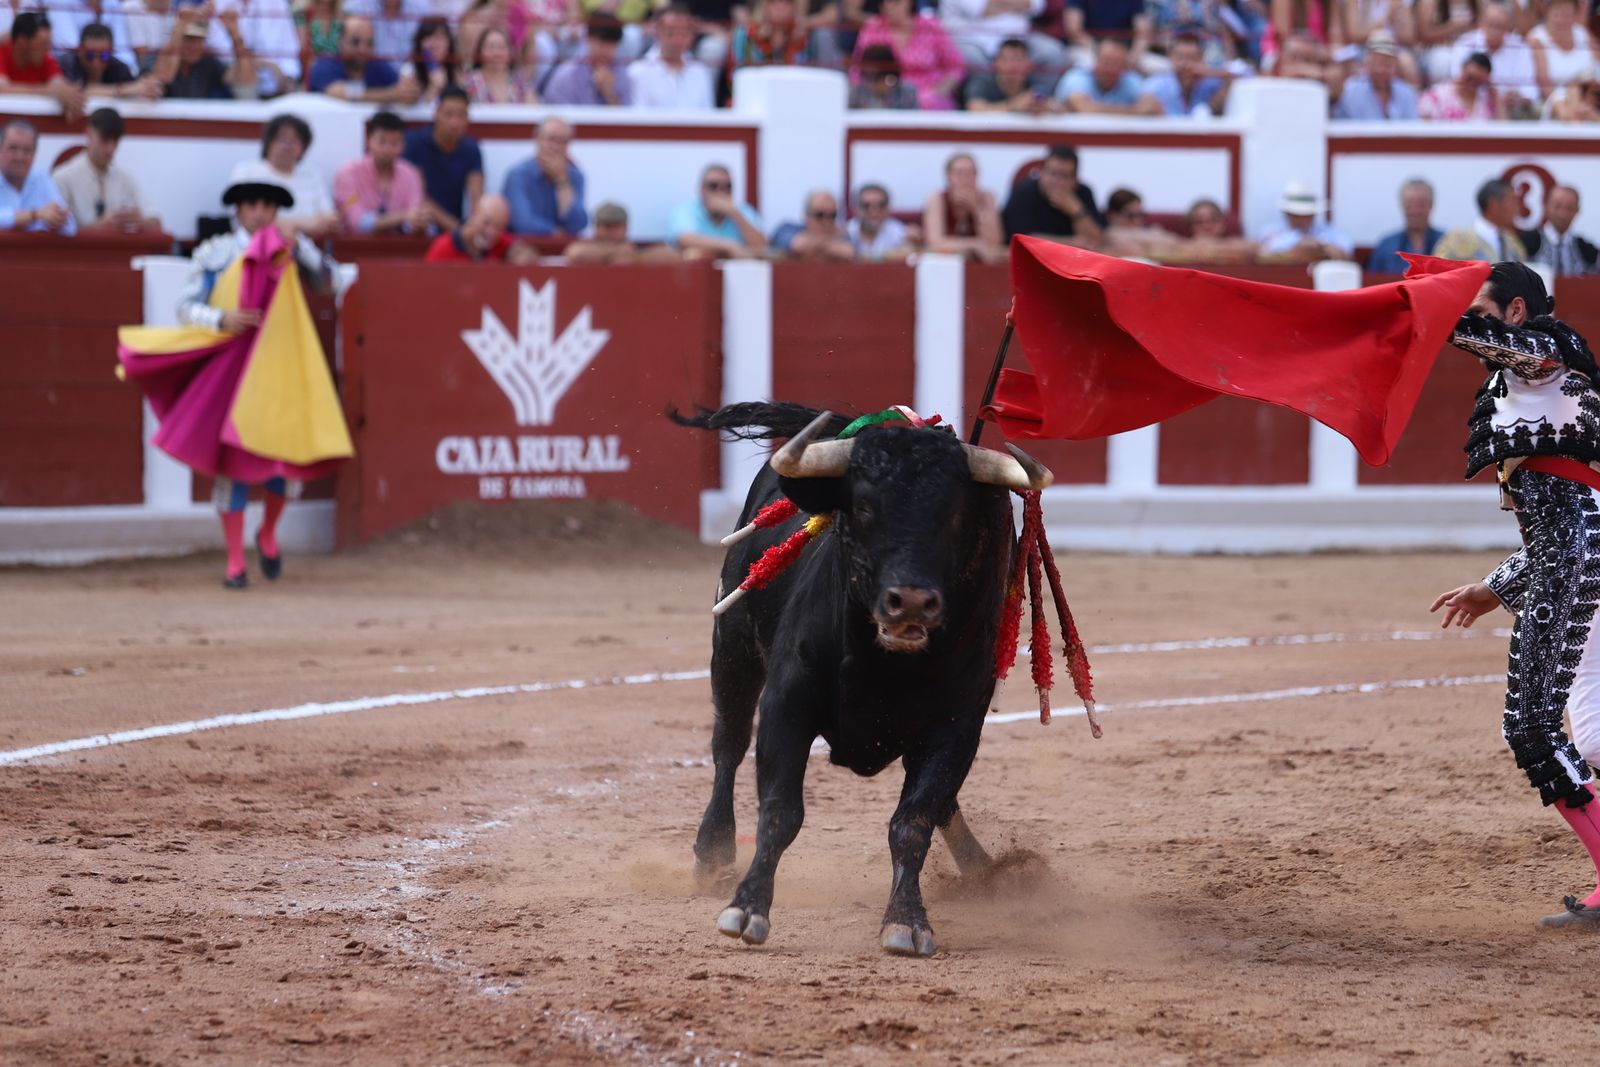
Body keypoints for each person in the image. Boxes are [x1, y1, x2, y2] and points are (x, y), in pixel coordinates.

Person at [1426, 263, 1600, 930]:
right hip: (1579, 554)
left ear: (1517, 311)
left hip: (1579, 558)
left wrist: (1432, 315)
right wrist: (1495, 587)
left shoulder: (1549, 352)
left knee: (1530, 727)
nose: (1469, 317)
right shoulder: (1519, 387)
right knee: (1593, 733)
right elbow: (1567, 516)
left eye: (1478, 307)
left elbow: (1572, 523)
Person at [118, 167, 349, 590]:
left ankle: (267, 535)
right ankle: (236, 560)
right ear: (238, 210)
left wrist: (305, 249)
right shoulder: (217, 253)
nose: (260, 214)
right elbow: (186, 307)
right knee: (235, 467)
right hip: (233, 372)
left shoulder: (289, 249)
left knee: (282, 461)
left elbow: (331, 284)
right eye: (252, 205)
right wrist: (221, 318)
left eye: (268, 206)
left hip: (278, 369)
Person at [50, 108, 161, 232]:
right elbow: (55, 233)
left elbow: (155, 222)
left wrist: (140, 223)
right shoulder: (62, 177)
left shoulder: (126, 177)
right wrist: (97, 227)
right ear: (89, 134)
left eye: (115, 142)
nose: (110, 149)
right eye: (105, 140)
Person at [848, 0, 964, 109]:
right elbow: (857, 70)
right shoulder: (873, 27)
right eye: (884, 1)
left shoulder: (930, 27)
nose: (888, 5)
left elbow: (955, 67)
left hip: (930, 102)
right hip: (883, 100)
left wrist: (937, 92)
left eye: (895, 1)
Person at [333, 110, 430, 235]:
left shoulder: (411, 173)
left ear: (403, 145)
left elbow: (414, 219)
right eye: (382, 142)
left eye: (394, 143)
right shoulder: (348, 173)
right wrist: (403, 217)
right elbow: (357, 223)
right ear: (369, 141)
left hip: (400, 248)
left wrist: (419, 224)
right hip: (356, 248)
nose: (387, 149)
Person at [403, 86, 483, 230]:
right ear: (436, 113)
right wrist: (460, 231)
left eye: (461, 115)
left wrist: (474, 226)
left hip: (455, 230)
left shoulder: (471, 149)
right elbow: (417, 196)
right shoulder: (414, 143)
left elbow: (477, 198)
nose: (454, 123)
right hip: (420, 224)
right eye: (449, 114)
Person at [250, 114, 339, 241]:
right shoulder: (249, 172)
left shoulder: (312, 175)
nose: (288, 146)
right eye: (283, 139)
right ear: (268, 142)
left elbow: (327, 218)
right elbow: (249, 220)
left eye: (295, 141)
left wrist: (289, 224)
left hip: (310, 251)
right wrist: (308, 224)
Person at [1001, 143, 1104, 246]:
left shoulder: (1083, 192)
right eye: (1053, 173)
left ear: (1075, 180)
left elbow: (1096, 240)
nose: (1057, 182)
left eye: (1064, 176)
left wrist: (1076, 211)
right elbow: (1023, 240)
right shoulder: (1024, 193)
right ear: (1041, 173)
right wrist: (1070, 243)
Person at [503, 118, 587, 237]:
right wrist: (555, 232)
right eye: (551, 139)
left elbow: (577, 224)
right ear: (537, 138)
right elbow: (522, 223)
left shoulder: (575, 176)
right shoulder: (519, 175)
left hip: (564, 249)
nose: (555, 147)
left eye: (562, 141)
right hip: (526, 246)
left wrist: (562, 182)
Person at [1449, 2, 1535, 115]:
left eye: (1500, 26)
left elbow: (1530, 90)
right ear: (1481, 24)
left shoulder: (1520, 48)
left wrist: (1519, 98)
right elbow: (1458, 82)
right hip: (1472, 109)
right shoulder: (1464, 44)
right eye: (1491, 25)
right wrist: (1492, 99)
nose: (1495, 30)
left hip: (1513, 111)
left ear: (1509, 28)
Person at [666, 163, 767, 259]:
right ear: (701, 189)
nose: (721, 192)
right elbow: (685, 239)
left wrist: (735, 214)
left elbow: (761, 246)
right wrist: (729, 246)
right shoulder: (686, 210)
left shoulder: (743, 210)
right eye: (713, 186)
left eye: (727, 186)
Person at [309, 14, 415, 101]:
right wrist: (391, 94)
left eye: (370, 43)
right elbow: (338, 92)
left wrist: (409, 92)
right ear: (340, 41)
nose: (362, 50)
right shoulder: (325, 63)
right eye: (355, 42)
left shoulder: (377, 65)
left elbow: (404, 92)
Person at [1, 12, 88, 118]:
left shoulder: (45, 58)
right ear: (22, 42)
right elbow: (2, 88)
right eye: (42, 44)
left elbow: (58, 84)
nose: (48, 49)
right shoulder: (2, 53)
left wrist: (66, 94)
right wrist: (48, 91)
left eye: (48, 43)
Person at [152, 8, 254, 99]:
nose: (194, 46)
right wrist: (180, 27)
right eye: (189, 39)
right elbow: (163, 77)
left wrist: (234, 34)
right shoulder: (156, 59)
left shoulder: (207, 63)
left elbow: (245, 79)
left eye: (200, 40)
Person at [628, 4, 715, 108]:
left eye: (684, 34)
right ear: (657, 32)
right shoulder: (638, 71)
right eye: (670, 33)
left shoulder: (700, 71)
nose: (677, 40)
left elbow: (707, 115)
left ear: (692, 36)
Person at [0, 119, 76, 235]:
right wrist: (35, 215)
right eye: (13, 148)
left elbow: (70, 228)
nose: (19, 157)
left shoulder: (41, 177)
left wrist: (58, 219)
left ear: (34, 155)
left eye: (27, 150)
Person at [925, 151, 1005, 260]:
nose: (965, 179)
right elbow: (934, 242)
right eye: (959, 173)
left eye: (971, 173)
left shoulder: (986, 198)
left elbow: (994, 242)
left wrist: (976, 210)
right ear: (949, 177)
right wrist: (974, 244)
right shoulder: (937, 199)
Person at [1055, 38, 1161, 114]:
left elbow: (1153, 108)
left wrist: (1099, 109)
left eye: (1117, 64)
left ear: (1125, 66)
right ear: (1095, 61)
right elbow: (1085, 110)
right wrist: (1135, 111)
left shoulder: (1130, 79)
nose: (1111, 69)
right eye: (1106, 62)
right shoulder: (1077, 77)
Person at [1434, 178, 1528, 263]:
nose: (1517, 208)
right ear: (1494, 205)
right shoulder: (1458, 240)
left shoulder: (1513, 243)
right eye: (1512, 201)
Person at [1257, 180, 1353, 261]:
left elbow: (1346, 245)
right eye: (1296, 215)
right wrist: (1317, 245)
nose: (1302, 220)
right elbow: (1270, 248)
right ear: (1287, 214)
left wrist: (1321, 245)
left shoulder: (1323, 230)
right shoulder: (1272, 230)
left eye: (1307, 215)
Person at [544, 16, 632, 104]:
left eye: (612, 45)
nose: (607, 51)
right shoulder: (567, 74)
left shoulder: (621, 73)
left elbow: (628, 115)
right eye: (602, 43)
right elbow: (557, 114)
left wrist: (609, 93)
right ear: (588, 39)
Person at [1331, 29, 1418, 117]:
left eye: (1386, 64)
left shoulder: (1406, 94)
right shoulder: (1351, 92)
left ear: (1394, 65)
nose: (1380, 70)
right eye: (1375, 63)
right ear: (1366, 63)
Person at [61, 21, 159, 98]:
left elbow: (135, 89)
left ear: (112, 51)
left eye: (104, 56)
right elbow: (76, 91)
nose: (96, 62)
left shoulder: (119, 67)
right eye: (90, 55)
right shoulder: (67, 64)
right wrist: (122, 90)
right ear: (80, 50)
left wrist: (147, 89)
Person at [424, 193, 535, 261]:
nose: (491, 232)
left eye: (498, 228)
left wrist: (520, 254)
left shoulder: (499, 242)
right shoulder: (442, 249)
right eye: (487, 223)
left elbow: (522, 250)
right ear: (473, 213)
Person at [1365, 177, 1443, 274]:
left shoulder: (1446, 243)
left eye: (1421, 204)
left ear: (1431, 205)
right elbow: (1371, 282)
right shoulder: (1386, 246)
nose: (1415, 211)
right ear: (1402, 205)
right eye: (1409, 204)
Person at [1141, 33, 1230, 117]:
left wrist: (1208, 71)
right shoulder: (1157, 84)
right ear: (1170, 58)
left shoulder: (1210, 81)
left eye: (1192, 58)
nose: (1186, 64)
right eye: (1180, 58)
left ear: (1201, 58)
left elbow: (1240, 80)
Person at [564, 200, 682, 262]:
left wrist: (635, 258)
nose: (610, 231)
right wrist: (613, 253)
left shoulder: (632, 251)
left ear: (625, 227)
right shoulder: (587, 247)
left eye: (615, 226)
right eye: (606, 225)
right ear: (597, 227)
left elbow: (674, 255)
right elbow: (574, 253)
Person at [963, 36, 1056, 113]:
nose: (1012, 65)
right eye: (1006, 59)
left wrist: (1045, 107)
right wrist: (1013, 106)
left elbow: (1057, 106)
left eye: (1018, 59)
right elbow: (974, 108)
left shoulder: (1035, 84)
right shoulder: (982, 81)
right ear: (995, 63)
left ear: (1029, 64)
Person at [1528, 0, 1597, 100]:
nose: (1561, 20)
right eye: (1557, 15)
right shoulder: (1536, 39)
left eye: (1567, 15)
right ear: (1547, 13)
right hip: (1558, 102)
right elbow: (1544, 87)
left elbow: (1597, 64)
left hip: (1591, 96)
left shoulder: (1582, 32)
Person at [1523, 186, 1598, 276]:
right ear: (1546, 206)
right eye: (1557, 207)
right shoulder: (1526, 242)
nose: (1562, 214)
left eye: (1568, 208)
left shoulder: (1588, 250)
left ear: (1577, 210)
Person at [771, 189, 857, 260]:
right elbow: (797, 246)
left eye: (832, 215)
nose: (826, 222)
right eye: (820, 215)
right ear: (806, 215)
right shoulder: (787, 229)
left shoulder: (842, 234)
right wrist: (831, 239)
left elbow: (848, 252)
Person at [1418, 49, 1502, 119]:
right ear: (1463, 68)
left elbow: (1503, 132)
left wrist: (1496, 96)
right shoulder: (1435, 96)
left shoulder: (1487, 101)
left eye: (1479, 81)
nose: (1472, 84)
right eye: (1470, 78)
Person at [463, 26, 539, 102]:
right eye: (490, 47)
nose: (496, 53)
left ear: (510, 52)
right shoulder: (470, 83)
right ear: (480, 52)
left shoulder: (521, 82)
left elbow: (534, 109)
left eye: (502, 47)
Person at [728, 0, 808, 68]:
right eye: (773, 1)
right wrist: (760, 41)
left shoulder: (802, 35)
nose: (780, 6)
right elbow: (741, 71)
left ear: (794, 7)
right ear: (764, 7)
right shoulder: (746, 34)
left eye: (787, 1)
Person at [848, 182, 914, 260]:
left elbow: (910, 252)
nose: (874, 211)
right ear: (857, 209)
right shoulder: (848, 231)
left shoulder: (896, 231)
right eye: (866, 206)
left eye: (881, 205)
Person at [407, 17, 461, 104]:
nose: (433, 44)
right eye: (428, 37)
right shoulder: (409, 70)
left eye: (439, 38)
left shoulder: (457, 71)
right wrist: (433, 88)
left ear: (449, 42)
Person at [849, 44, 920, 106]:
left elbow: (914, 119)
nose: (879, 84)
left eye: (882, 77)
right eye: (870, 77)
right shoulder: (858, 93)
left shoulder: (907, 92)